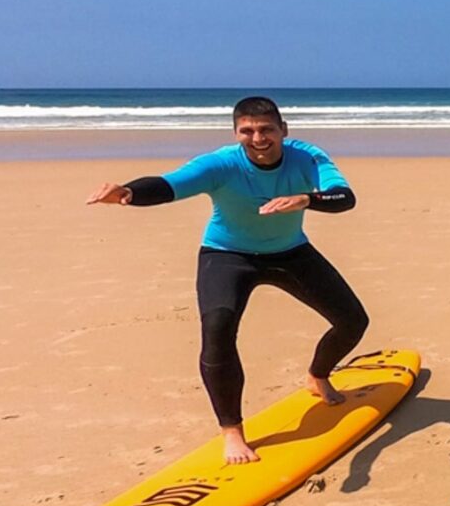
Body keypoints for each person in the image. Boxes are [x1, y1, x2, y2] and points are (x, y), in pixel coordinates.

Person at [86, 96, 369, 465]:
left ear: (284, 130)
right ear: (236, 133)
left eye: (267, 129)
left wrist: (304, 198)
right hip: (227, 255)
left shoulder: (308, 157)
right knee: (217, 328)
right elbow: (171, 184)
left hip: (290, 253)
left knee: (353, 321)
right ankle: (231, 431)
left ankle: (317, 376)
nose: (258, 138)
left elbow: (344, 197)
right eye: (247, 131)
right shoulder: (220, 163)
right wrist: (128, 193)